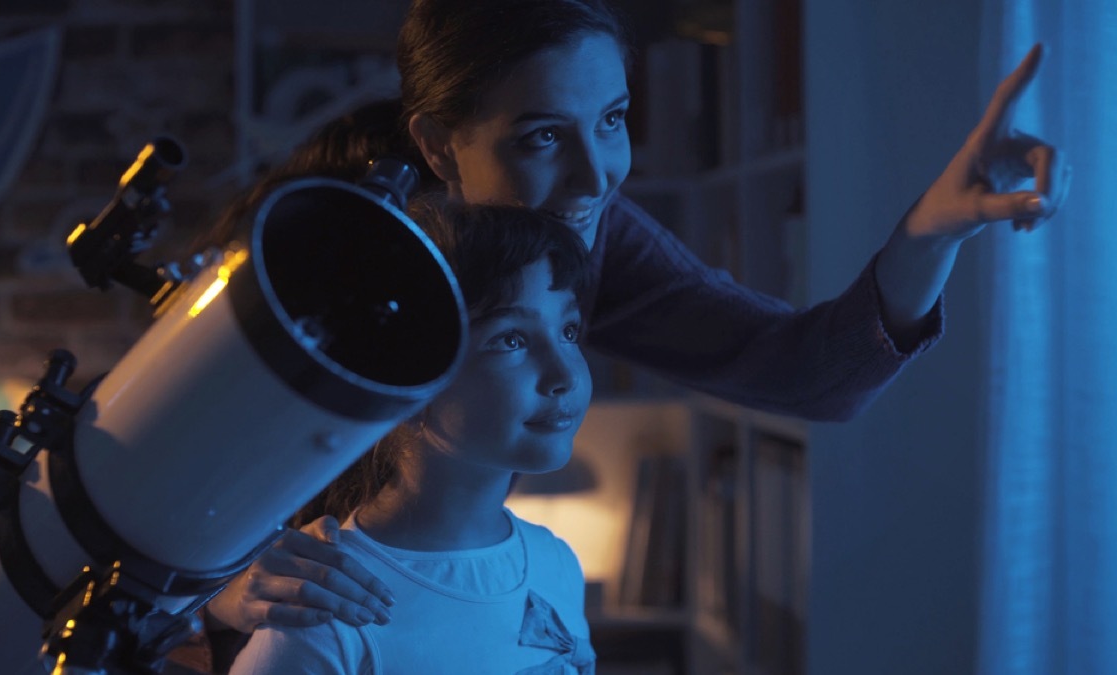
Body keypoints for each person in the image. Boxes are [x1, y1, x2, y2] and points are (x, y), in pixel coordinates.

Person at [191, 0, 1068, 665]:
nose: (596, 175)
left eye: (611, 121)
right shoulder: (320, 253)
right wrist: (226, 590)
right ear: (437, 142)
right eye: (541, 136)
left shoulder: (587, 226)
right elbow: (150, 490)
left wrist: (934, 229)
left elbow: (806, 372)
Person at [226, 195, 597, 674]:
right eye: (512, 339)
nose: (563, 372)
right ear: (403, 374)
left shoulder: (557, 563)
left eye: (568, 330)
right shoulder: (329, 607)